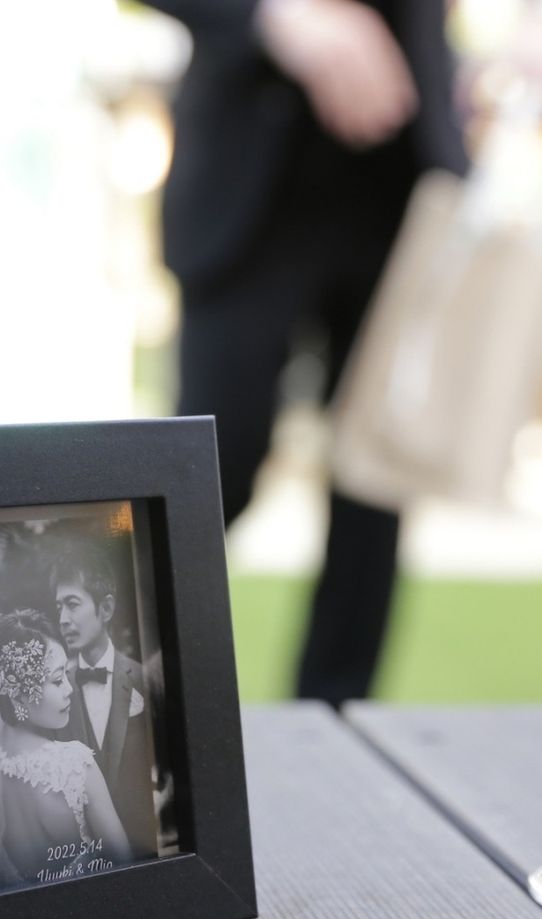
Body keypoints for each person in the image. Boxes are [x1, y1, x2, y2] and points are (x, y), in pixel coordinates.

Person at [141, 0, 468, 706]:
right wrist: (277, 15)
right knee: (211, 467)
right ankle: (129, 704)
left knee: (372, 497)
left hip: (401, 180)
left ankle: (338, 717)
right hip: (248, 191)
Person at [0, 610, 131, 885]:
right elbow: (125, 865)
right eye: (57, 680)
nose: (69, 689)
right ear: (18, 692)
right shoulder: (76, 766)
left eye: (66, 674)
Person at [51, 546, 158, 860]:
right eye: (58, 607)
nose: (62, 619)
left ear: (106, 608)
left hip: (145, 850)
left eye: (72, 604)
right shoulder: (56, 690)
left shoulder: (143, 679)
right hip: (86, 857)